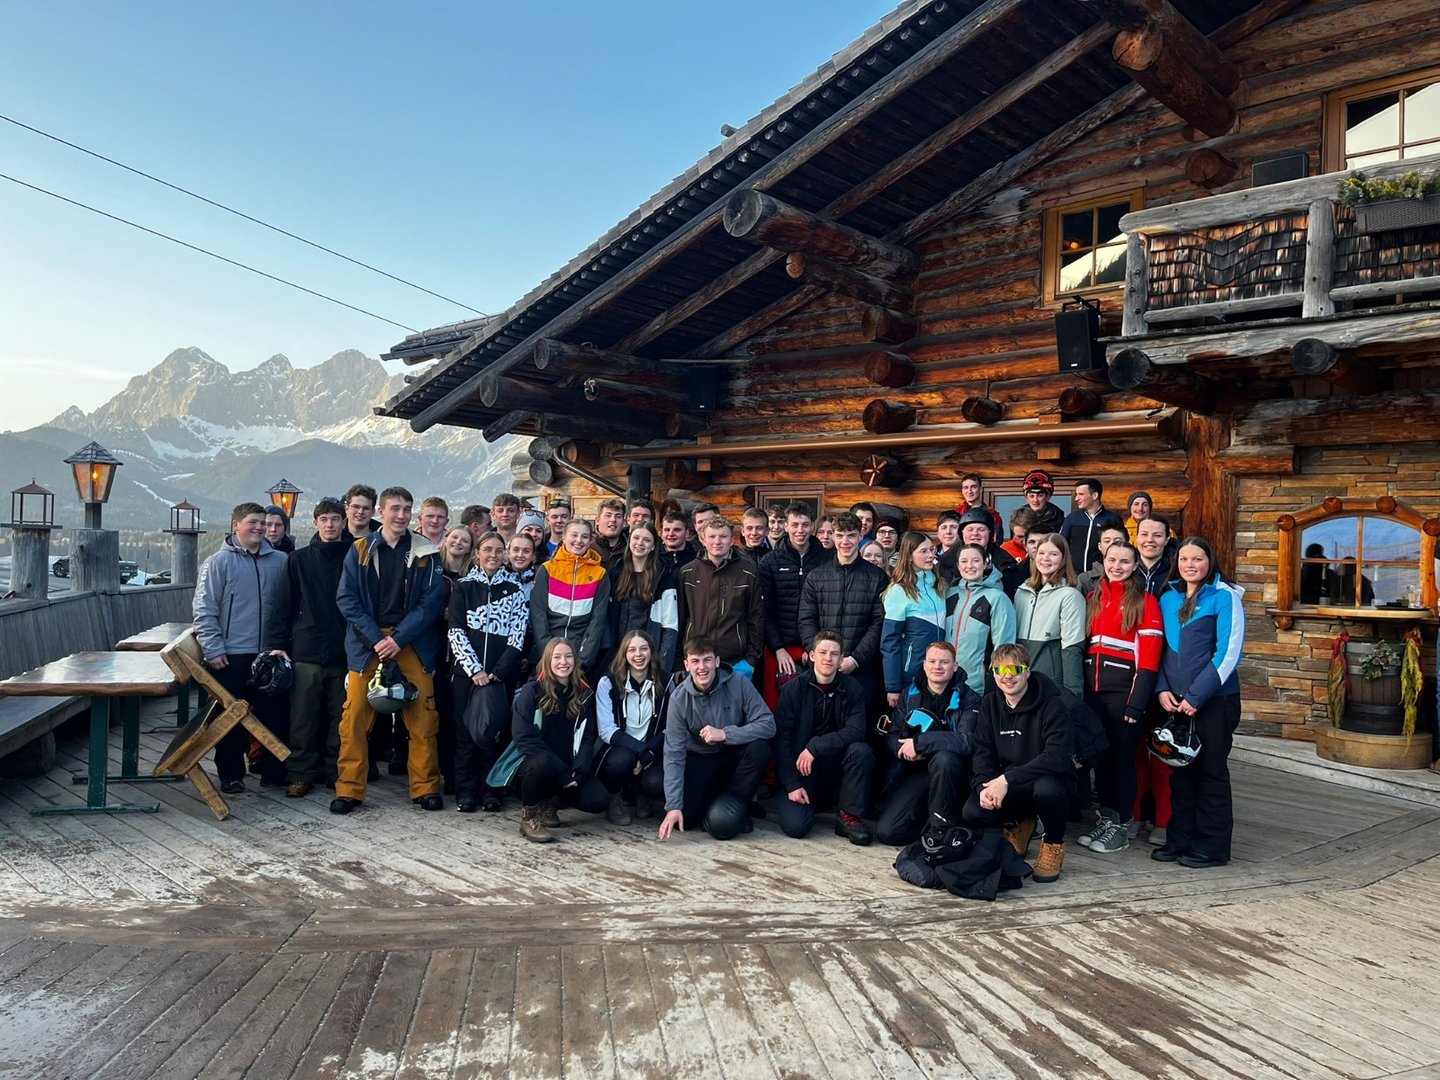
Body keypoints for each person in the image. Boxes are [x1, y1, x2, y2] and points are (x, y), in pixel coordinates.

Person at [331, 486, 446, 814]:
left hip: (412, 641)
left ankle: (425, 788)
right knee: (354, 718)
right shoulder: (360, 550)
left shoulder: (426, 552)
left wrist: (398, 638)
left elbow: (432, 602)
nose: (401, 515)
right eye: (394, 508)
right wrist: (376, 638)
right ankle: (349, 789)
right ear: (380, 512)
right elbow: (347, 599)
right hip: (368, 643)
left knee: (423, 718)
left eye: (406, 509)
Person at [1154, 536, 1245, 869]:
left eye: (1197, 559)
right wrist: (1161, 688)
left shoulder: (1225, 597)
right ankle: (1180, 839)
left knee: (1211, 772)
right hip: (1175, 702)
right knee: (1180, 773)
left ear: (1210, 561)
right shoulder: (1168, 597)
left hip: (1214, 700)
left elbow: (1229, 653)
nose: (1190, 565)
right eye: (1184, 559)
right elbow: (1161, 649)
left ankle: (1212, 846)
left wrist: (1196, 696)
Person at [194, 501, 289, 793]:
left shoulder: (280, 561)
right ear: (236, 525)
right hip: (231, 654)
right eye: (253, 522)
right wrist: (213, 648)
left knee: (274, 715)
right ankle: (231, 773)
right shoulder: (218, 563)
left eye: (263, 522)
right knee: (230, 718)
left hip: (269, 654)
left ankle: (274, 771)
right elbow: (204, 609)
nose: (260, 528)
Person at [1076, 541, 1163, 854]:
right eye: (1112, 560)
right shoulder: (1093, 597)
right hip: (1093, 694)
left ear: (1135, 564)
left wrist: (1137, 702)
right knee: (1100, 758)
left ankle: (1122, 825)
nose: (1117, 566)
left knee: (1121, 760)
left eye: (1125, 561)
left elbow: (1150, 659)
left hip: (1124, 693)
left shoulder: (1145, 602)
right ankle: (1107, 820)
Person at [964, 643, 1076, 882]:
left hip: (1044, 777)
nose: (1007, 676)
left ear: (1027, 671)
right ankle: (1019, 825)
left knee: (1049, 790)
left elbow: (1057, 756)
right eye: (1000, 670)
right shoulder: (990, 704)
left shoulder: (1052, 704)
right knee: (973, 811)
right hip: (1011, 781)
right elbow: (982, 752)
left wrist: (1006, 779)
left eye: (1015, 669)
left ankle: (1053, 844)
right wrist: (983, 786)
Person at [263, 496, 350, 797]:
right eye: (324, 519)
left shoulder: (354, 556)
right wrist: (277, 644)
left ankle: (337, 772)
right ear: (315, 523)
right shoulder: (298, 559)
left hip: (344, 650)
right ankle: (300, 773)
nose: (329, 525)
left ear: (343, 522)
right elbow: (283, 606)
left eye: (335, 519)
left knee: (341, 719)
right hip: (306, 649)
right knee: (302, 718)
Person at [657, 636, 775, 842]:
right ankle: (716, 807)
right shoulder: (679, 699)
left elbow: (768, 724)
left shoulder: (739, 683)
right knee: (686, 819)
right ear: (686, 665)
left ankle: (737, 806)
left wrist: (726, 734)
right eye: (695, 661)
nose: (702, 667)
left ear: (717, 661)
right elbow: (674, 754)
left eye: (707, 660)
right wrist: (673, 806)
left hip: (733, 755)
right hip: (700, 758)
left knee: (760, 749)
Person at [448, 531, 529, 813]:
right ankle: (466, 790)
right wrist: (474, 670)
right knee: (465, 733)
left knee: (494, 733)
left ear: (504, 554)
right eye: (487, 550)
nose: (493, 555)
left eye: (498, 550)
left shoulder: (515, 588)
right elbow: (456, 631)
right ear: (477, 553)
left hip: (500, 676)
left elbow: (518, 634)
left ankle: (491, 790)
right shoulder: (464, 587)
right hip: (466, 675)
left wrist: (498, 671)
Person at [773, 631, 874, 844]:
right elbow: (781, 740)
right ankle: (811, 801)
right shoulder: (793, 689)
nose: (828, 658)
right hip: (802, 769)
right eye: (823, 652)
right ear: (812, 656)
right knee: (796, 827)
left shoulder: (852, 688)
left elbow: (856, 731)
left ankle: (848, 817)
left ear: (841, 659)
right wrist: (791, 784)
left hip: (834, 765)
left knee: (861, 751)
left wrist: (815, 747)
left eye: (834, 654)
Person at [876, 640, 980, 846]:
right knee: (888, 832)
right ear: (924, 664)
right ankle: (929, 826)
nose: (937, 667)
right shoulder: (909, 694)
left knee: (944, 758)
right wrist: (903, 750)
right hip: (916, 770)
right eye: (932, 661)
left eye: (944, 662)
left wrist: (920, 742)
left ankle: (941, 830)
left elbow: (967, 741)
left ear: (955, 666)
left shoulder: (970, 698)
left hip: (953, 774)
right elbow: (892, 735)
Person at [510, 638, 608, 841]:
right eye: (557, 657)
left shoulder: (583, 693)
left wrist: (579, 771)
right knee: (543, 763)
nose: (563, 662)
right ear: (548, 661)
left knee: (598, 799)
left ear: (575, 660)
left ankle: (551, 803)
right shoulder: (532, 690)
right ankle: (530, 817)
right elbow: (523, 736)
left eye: (568, 656)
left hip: (567, 768)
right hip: (536, 767)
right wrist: (561, 771)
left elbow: (588, 737)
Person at [797, 511, 887, 705]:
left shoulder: (877, 577)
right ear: (833, 536)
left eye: (851, 535)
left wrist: (855, 659)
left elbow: (879, 623)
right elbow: (806, 619)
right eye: (839, 535)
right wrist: (821, 655)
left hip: (862, 669)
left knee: (859, 720)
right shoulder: (816, 576)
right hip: (822, 669)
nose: (845, 541)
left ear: (860, 536)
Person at [758, 501, 831, 709]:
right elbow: (765, 610)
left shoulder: (827, 559)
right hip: (779, 646)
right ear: (786, 526)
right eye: (795, 525)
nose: (800, 530)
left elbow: (828, 607)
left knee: (814, 706)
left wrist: (814, 646)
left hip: (816, 646)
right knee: (778, 706)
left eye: (805, 525)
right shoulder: (770, 562)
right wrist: (778, 648)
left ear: (812, 526)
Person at [594, 629, 669, 824]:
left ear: (651, 651)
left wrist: (650, 750)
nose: (638, 655)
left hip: (652, 748)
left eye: (643, 649)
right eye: (632, 650)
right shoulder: (608, 683)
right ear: (624, 654)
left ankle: (641, 793)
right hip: (620, 748)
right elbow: (606, 730)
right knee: (621, 762)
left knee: (657, 782)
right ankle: (614, 797)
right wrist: (641, 750)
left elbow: (671, 726)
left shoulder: (666, 682)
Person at [677, 516, 764, 679]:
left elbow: (756, 618)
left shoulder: (748, 573)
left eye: (723, 536)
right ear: (703, 539)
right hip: (697, 659)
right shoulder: (687, 573)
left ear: (732, 540)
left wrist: (751, 660)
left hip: (736, 662)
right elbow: (679, 618)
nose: (717, 542)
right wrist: (678, 661)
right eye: (712, 536)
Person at [530, 518, 610, 678]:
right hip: (547, 654)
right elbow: (538, 615)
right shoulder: (547, 569)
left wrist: (582, 660)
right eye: (574, 535)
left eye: (584, 537)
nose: (579, 540)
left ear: (590, 540)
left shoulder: (600, 574)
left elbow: (597, 621)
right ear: (564, 537)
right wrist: (550, 655)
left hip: (581, 654)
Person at [1013, 534, 1085, 697]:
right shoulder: (1021, 592)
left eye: (1053, 554)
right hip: (1020, 680)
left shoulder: (1070, 595)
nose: (1045, 558)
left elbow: (1072, 649)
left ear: (1063, 559)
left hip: (1050, 682)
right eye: (1041, 553)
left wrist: (1072, 695)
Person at [882, 532, 949, 707]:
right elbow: (890, 642)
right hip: (911, 674)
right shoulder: (899, 591)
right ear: (910, 556)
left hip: (939, 672)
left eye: (932, 550)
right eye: (923, 551)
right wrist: (893, 686)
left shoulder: (939, 586)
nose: (930, 555)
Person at [608, 522, 680, 682]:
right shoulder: (616, 571)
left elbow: (670, 627)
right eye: (636, 538)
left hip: (647, 655)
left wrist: (661, 667)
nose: (640, 543)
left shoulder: (663, 577)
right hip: (617, 654)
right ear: (629, 540)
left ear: (653, 546)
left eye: (646, 540)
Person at [946, 543, 1017, 697]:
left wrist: (994, 680)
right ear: (958, 566)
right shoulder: (950, 594)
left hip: (977, 686)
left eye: (976, 560)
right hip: (946, 683)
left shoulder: (997, 598)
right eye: (964, 561)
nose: (969, 566)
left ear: (985, 563)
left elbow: (1004, 647)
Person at [1061, 477, 1124, 575]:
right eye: (1077, 494)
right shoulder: (1071, 519)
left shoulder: (1113, 519)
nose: (1076, 498)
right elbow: (1061, 546)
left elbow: (1120, 547)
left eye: (1081, 494)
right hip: (1074, 576)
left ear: (1094, 495)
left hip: (1101, 576)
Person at [1075, 524, 1129, 596]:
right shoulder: (1085, 580)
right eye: (1107, 541)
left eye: (1117, 541)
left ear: (1127, 544)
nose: (1112, 544)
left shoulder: (1137, 578)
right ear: (1099, 546)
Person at [1135, 515, 1174, 598]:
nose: (1150, 540)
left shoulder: (1175, 572)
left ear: (1166, 540)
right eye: (1144, 534)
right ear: (1137, 538)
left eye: (1157, 535)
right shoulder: (1125, 569)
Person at [957, 473, 1004, 537]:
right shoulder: (957, 514)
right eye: (966, 487)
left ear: (980, 489)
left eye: (973, 487)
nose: (969, 491)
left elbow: (997, 540)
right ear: (962, 491)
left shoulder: (993, 515)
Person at [1020, 469, 1064, 537]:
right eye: (1031, 496)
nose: (1035, 500)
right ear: (1026, 498)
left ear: (1048, 497)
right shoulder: (1018, 519)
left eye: (1040, 496)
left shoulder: (1059, 520)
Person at [592, 497, 629, 576]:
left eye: (618, 516)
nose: (613, 520)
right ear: (597, 520)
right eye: (608, 515)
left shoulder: (630, 549)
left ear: (623, 522)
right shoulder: (587, 546)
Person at [658, 511, 697, 575]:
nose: (671, 534)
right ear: (661, 533)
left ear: (686, 533)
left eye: (677, 530)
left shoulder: (696, 559)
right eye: (667, 530)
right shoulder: (652, 558)